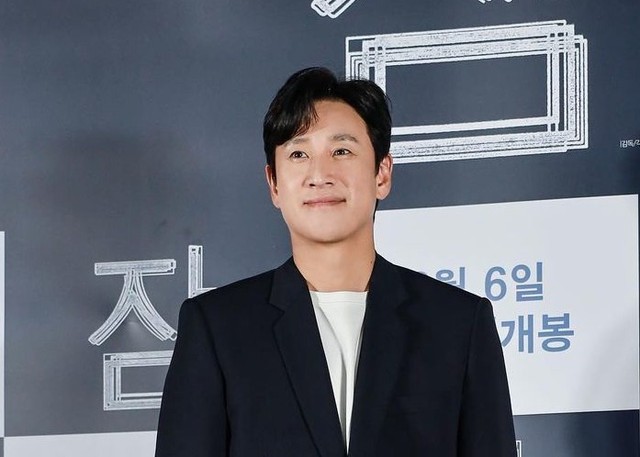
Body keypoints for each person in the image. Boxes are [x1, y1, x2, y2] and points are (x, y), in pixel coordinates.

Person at [155, 67, 516, 457]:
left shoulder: (458, 324)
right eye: (299, 154)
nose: (320, 174)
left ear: (382, 173)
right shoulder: (218, 328)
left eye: (341, 151)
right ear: (273, 183)